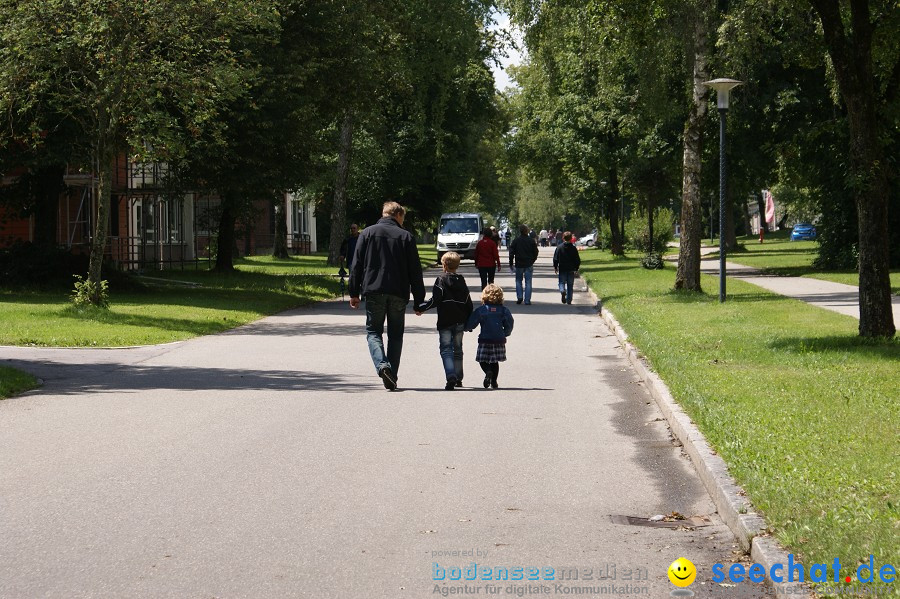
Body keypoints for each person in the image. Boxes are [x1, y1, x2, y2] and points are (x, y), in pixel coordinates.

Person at [349, 201, 426, 391]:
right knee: (395, 334)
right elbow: (415, 271)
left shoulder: (367, 233)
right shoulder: (406, 236)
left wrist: (353, 292)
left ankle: (383, 366)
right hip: (398, 291)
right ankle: (392, 374)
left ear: (383, 214)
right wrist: (419, 300)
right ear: (398, 215)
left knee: (374, 332)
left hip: (374, 290)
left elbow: (356, 264)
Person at [417, 252, 474, 390]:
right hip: (460, 320)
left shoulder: (440, 280)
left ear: (443, 265)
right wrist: (470, 319)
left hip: (445, 320)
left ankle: (451, 376)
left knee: (446, 349)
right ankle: (459, 377)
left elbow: (436, 299)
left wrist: (423, 308)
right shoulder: (461, 280)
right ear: (457, 265)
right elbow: (468, 302)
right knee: (458, 349)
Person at [465, 284, 514, 389]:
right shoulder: (504, 310)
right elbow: (509, 323)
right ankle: (494, 381)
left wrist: (467, 327)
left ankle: (488, 372)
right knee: (494, 361)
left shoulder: (482, 310)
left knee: (482, 360)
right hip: (498, 339)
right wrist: (506, 333)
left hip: (485, 339)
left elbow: (473, 322)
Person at [508, 224, 539, 305]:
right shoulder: (531, 241)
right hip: (528, 263)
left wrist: (511, 263)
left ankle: (520, 297)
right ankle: (527, 300)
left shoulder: (516, 240)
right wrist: (533, 260)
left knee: (518, 281)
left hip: (519, 263)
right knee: (528, 282)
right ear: (526, 231)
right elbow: (536, 252)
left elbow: (511, 253)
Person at [553, 231, 581, 304]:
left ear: (563, 238)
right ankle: (569, 300)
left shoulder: (559, 247)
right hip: (571, 269)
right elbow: (577, 259)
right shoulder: (573, 248)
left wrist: (555, 267)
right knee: (570, 285)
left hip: (562, 268)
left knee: (561, 282)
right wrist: (576, 268)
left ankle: (562, 290)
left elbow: (555, 258)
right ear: (571, 238)